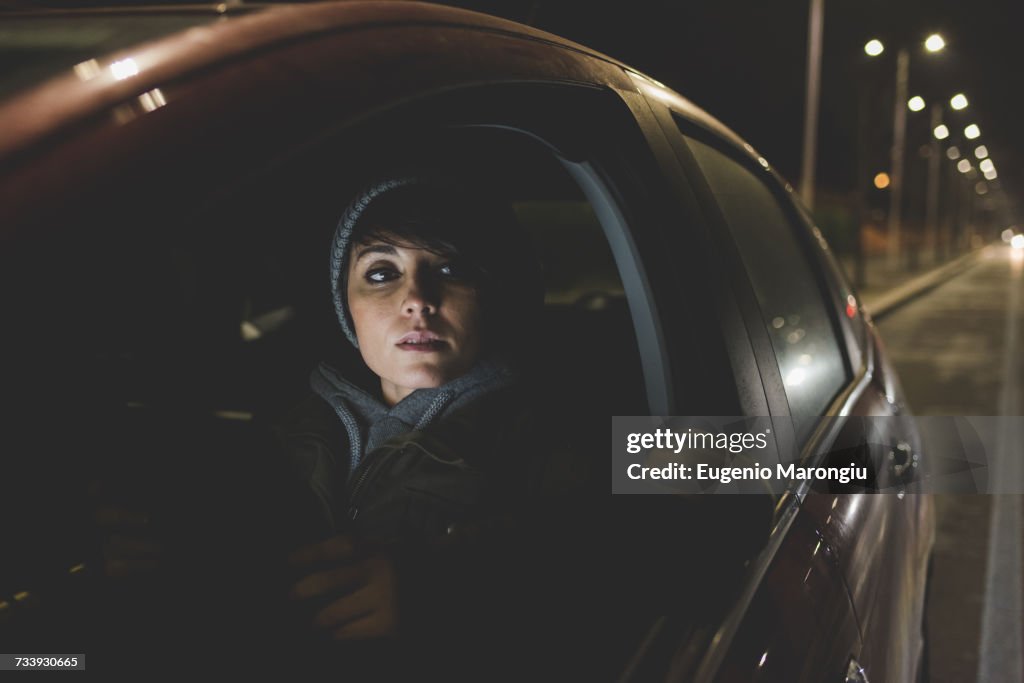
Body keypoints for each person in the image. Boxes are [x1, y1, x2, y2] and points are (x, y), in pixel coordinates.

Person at [275, 174, 562, 673]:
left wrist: (441, 594)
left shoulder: (559, 424)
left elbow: (740, 458)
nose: (418, 299)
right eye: (382, 273)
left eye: (449, 268)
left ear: (490, 294)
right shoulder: (284, 424)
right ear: (346, 302)